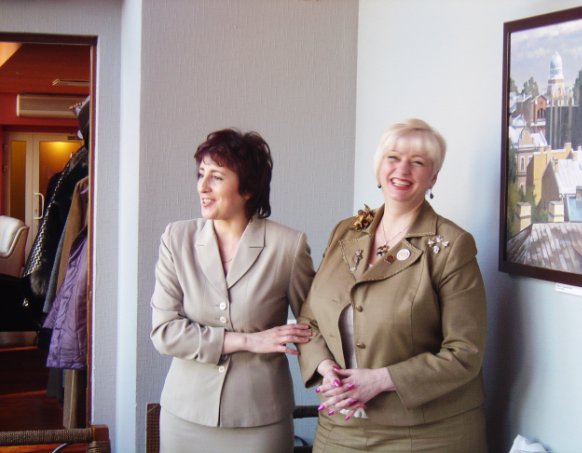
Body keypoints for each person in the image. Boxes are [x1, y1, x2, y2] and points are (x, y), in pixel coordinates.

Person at [298, 119, 487, 452]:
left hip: (427, 434)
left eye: (418, 162)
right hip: (341, 424)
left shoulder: (452, 245)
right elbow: (310, 318)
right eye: (393, 158)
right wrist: (326, 369)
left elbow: (465, 352)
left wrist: (380, 380)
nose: (402, 169)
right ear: (379, 167)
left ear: (433, 177)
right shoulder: (345, 231)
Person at [150, 128, 315, 453]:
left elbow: (314, 326)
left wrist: (335, 377)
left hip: (260, 418)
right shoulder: (176, 239)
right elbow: (164, 332)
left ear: (247, 188)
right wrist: (249, 341)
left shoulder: (288, 246)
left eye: (216, 176)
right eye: (201, 174)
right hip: (185, 415)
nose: (203, 186)